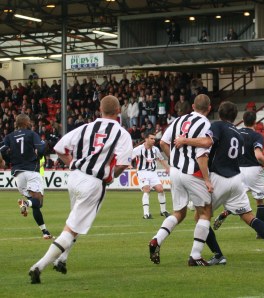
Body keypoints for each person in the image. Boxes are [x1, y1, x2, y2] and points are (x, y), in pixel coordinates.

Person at [28, 95, 133, 284]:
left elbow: (60, 148)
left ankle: (62, 259)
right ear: (118, 111)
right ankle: (39, 266)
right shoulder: (122, 133)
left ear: (100, 110)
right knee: (71, 228)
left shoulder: (86, 127)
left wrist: (72, 163)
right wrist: (111, 176)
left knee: (74, 221)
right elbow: (123, 164)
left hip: (75, 178)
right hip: (93, 183)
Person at [175, 101, 264, 265]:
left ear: (219, 114)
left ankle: (218, 254)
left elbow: (207, 142)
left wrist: (184, 141)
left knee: (200, 216)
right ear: (235, 116)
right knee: (249, 217)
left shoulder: (218, 126)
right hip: (236, 179)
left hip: (218, 177)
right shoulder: (238, 133)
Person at [149, 94, 213, 266]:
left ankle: (157, 239)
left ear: (192, 106)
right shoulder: (206, 124)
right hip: (192, 172)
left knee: (179, 212)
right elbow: (204, 149)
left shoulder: (179, 120)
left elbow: (162, 142)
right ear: (209, 108)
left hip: (175, 172)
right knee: (206, 211)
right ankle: (196, 255)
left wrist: (174, 160)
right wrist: (207, 179)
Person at [0, 114, 52, 239]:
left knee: (35, 203)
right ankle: (25, 203)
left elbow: (2, 150)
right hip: (32, 171)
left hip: (18, 174)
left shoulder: (9, 137)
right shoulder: (31, 134)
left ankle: (45, 231)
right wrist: (40, 154)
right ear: (27, 122)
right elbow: (41, 147)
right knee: (37, 202)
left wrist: (7, 160)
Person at [223, 111, 264, 238]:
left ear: (243, 121)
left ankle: (226, 212)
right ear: (254, 121)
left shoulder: (236, 133)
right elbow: (258, 155)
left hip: (238, 169)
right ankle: (261, 232)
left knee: (236, 198)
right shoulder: (257, 136)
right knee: (260, 201)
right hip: (253, 170)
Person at [132, 133, 170, 219]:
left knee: (160, 189)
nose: (154, 140)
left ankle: (163, 211)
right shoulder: (138, 149)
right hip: (142, 172)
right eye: (152, 138)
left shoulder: (155, 149)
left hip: (153, 173)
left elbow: (161, 159)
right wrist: (128, 165)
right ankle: (146, 214)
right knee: (147, 189)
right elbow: (129, 157)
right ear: (146, 139)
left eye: (154, 139)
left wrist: (167, 168)